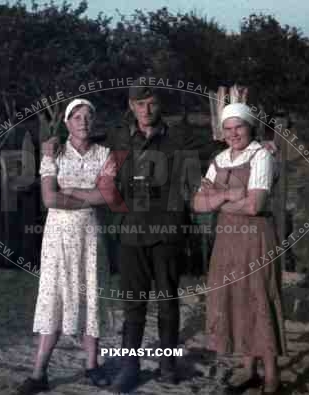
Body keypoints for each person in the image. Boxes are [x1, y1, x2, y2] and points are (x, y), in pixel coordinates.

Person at [104, 79, 199, 393]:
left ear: (160, 105)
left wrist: (263, 142)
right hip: (131, 231)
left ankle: (167, 363)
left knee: (168, 302)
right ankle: (129, 366)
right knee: (133, 303)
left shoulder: (178, 136)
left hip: (168, 229)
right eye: (139, 103)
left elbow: (217, 147)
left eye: (152, 103)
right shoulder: (117, 136)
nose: (146, 109)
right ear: (131, 105)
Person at [17, 98, 118, 394]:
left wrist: (71, 191)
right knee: (54, 298)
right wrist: (89, 195)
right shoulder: (53, 153)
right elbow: (49, 199)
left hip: (90, 235)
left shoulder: (105, 154)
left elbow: (109, 197)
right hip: (58, 236)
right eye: (77, 117)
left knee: (91, 295)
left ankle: (92, 365)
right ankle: (39, 373)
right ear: (67, 122)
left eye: (88, 116)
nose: (83, 122)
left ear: (94, 121)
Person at [192, 103, 287, 393]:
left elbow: (255, 205)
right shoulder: (219, 159)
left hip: (255, 236)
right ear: (222, 132)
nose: (234, 133)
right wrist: (231, 195)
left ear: (250, 127)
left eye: (240, 127)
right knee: (237, 299)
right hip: (226, 238)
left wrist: (217, 199)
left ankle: (271, 375)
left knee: (259, 297)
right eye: (228, 128)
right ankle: (249, 370)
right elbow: (197, 204)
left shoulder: (262, 155)